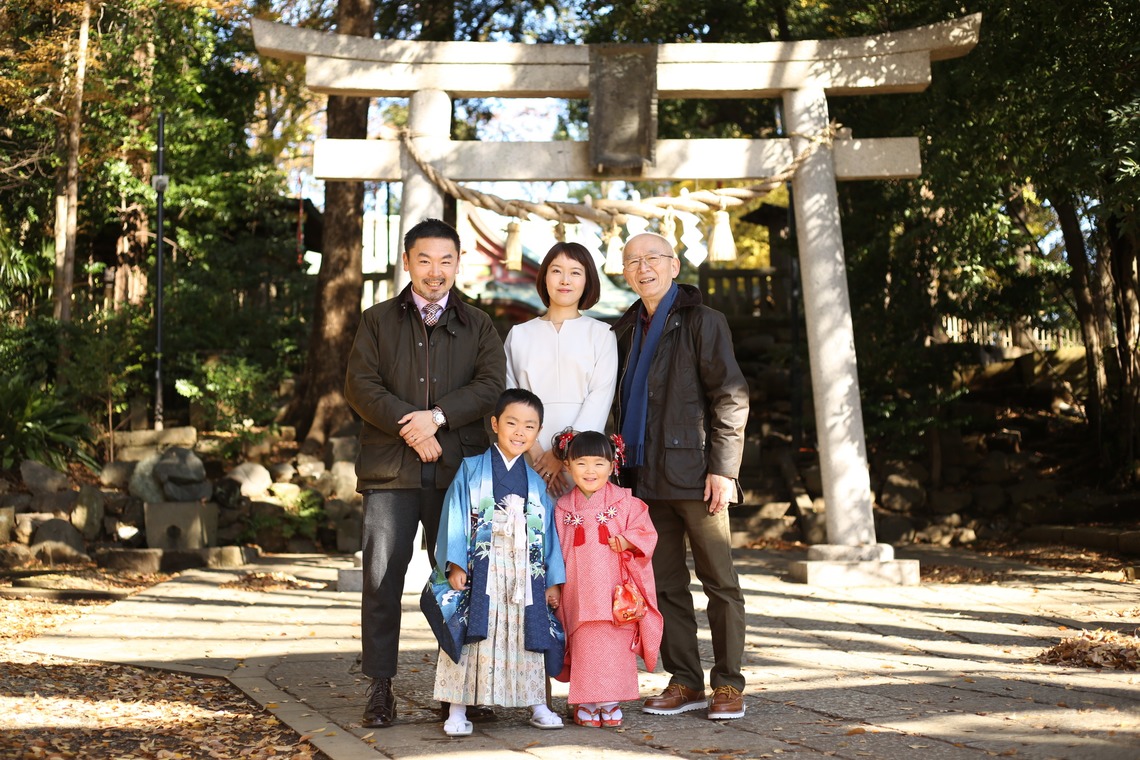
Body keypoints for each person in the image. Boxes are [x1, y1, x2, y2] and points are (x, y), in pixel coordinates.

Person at [344, 217, 506, 729]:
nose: (435, 272)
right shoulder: (376, 321)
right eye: (424, 260)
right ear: (408, 261)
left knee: (458, 580)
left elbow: (490, 387)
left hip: (458, 472)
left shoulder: (478, 323)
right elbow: (361, 385)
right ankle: (380, 687)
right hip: (391, 473)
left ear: (458, 263)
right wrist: (412, 428)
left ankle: (456, 688)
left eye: (446, 260)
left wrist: (435, 418)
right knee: (381, 580)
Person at [612, 232, 750, 720]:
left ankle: (729, 685)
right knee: (665, 585)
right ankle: (686, 680)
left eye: (652, 258)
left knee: (719, 581)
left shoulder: (703, 320)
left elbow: (730, 395)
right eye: (632, 261)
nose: (642, 267)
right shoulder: (624, 328)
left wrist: (723, 468)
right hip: (641, 478)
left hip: (696, 475)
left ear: (674, 265)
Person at [431, 388, 567, 736]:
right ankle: (458, 709)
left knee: (526, 631)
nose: (520, 432)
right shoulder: (472, 469)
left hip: (524, 570)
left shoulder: (536, 483)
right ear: (494, 424)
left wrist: (552, 579)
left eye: (529, 426)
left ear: (538, 433)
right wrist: (456, 562)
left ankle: (537, 702)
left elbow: (549, 535)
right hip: (480, 567)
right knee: (469, 631)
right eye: (512, 423)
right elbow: (455, 514)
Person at [550, 429, 662, 728]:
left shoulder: (626, 502)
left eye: (599, 463)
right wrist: (553, 584)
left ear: (613, 465)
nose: (590, 471)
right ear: (567, 465)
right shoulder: (563, 507)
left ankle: (611, 701)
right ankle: (586, 701)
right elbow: (553, 549)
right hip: (577, 590)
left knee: (615, 641)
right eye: (582, 463)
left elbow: (647, 534)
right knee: (584, 641)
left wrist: (627, 541)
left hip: (615, 589)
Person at [504, 242, 618, 496]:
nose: (565, 280)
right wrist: (534, 453)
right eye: (556, 271)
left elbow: (599, 398)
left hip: (582, 459)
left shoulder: (602, 334)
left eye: (575, 272)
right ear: (544, 277)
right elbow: (511, 397)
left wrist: (562, 454)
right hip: (527, 454)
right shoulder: (519, 334)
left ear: (587, 281)